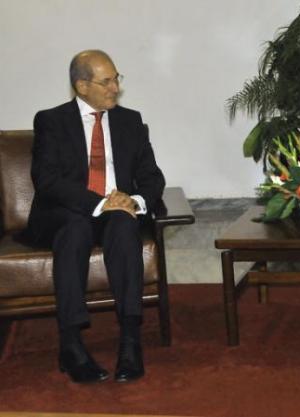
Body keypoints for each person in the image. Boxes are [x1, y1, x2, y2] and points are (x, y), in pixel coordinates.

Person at [24, 50, 165, 383]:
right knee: (74, 231)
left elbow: (151, 176)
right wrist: (99, 203)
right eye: (106, 81)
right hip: (68, 211)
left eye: (117, 78)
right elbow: (47, 180)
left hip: (117, 210)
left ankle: (131, 341)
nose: (115, 87)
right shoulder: (51, 120)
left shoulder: (130, 120)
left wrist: (134, 202)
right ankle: (71, 344)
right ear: (82, 85)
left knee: (123, 224)